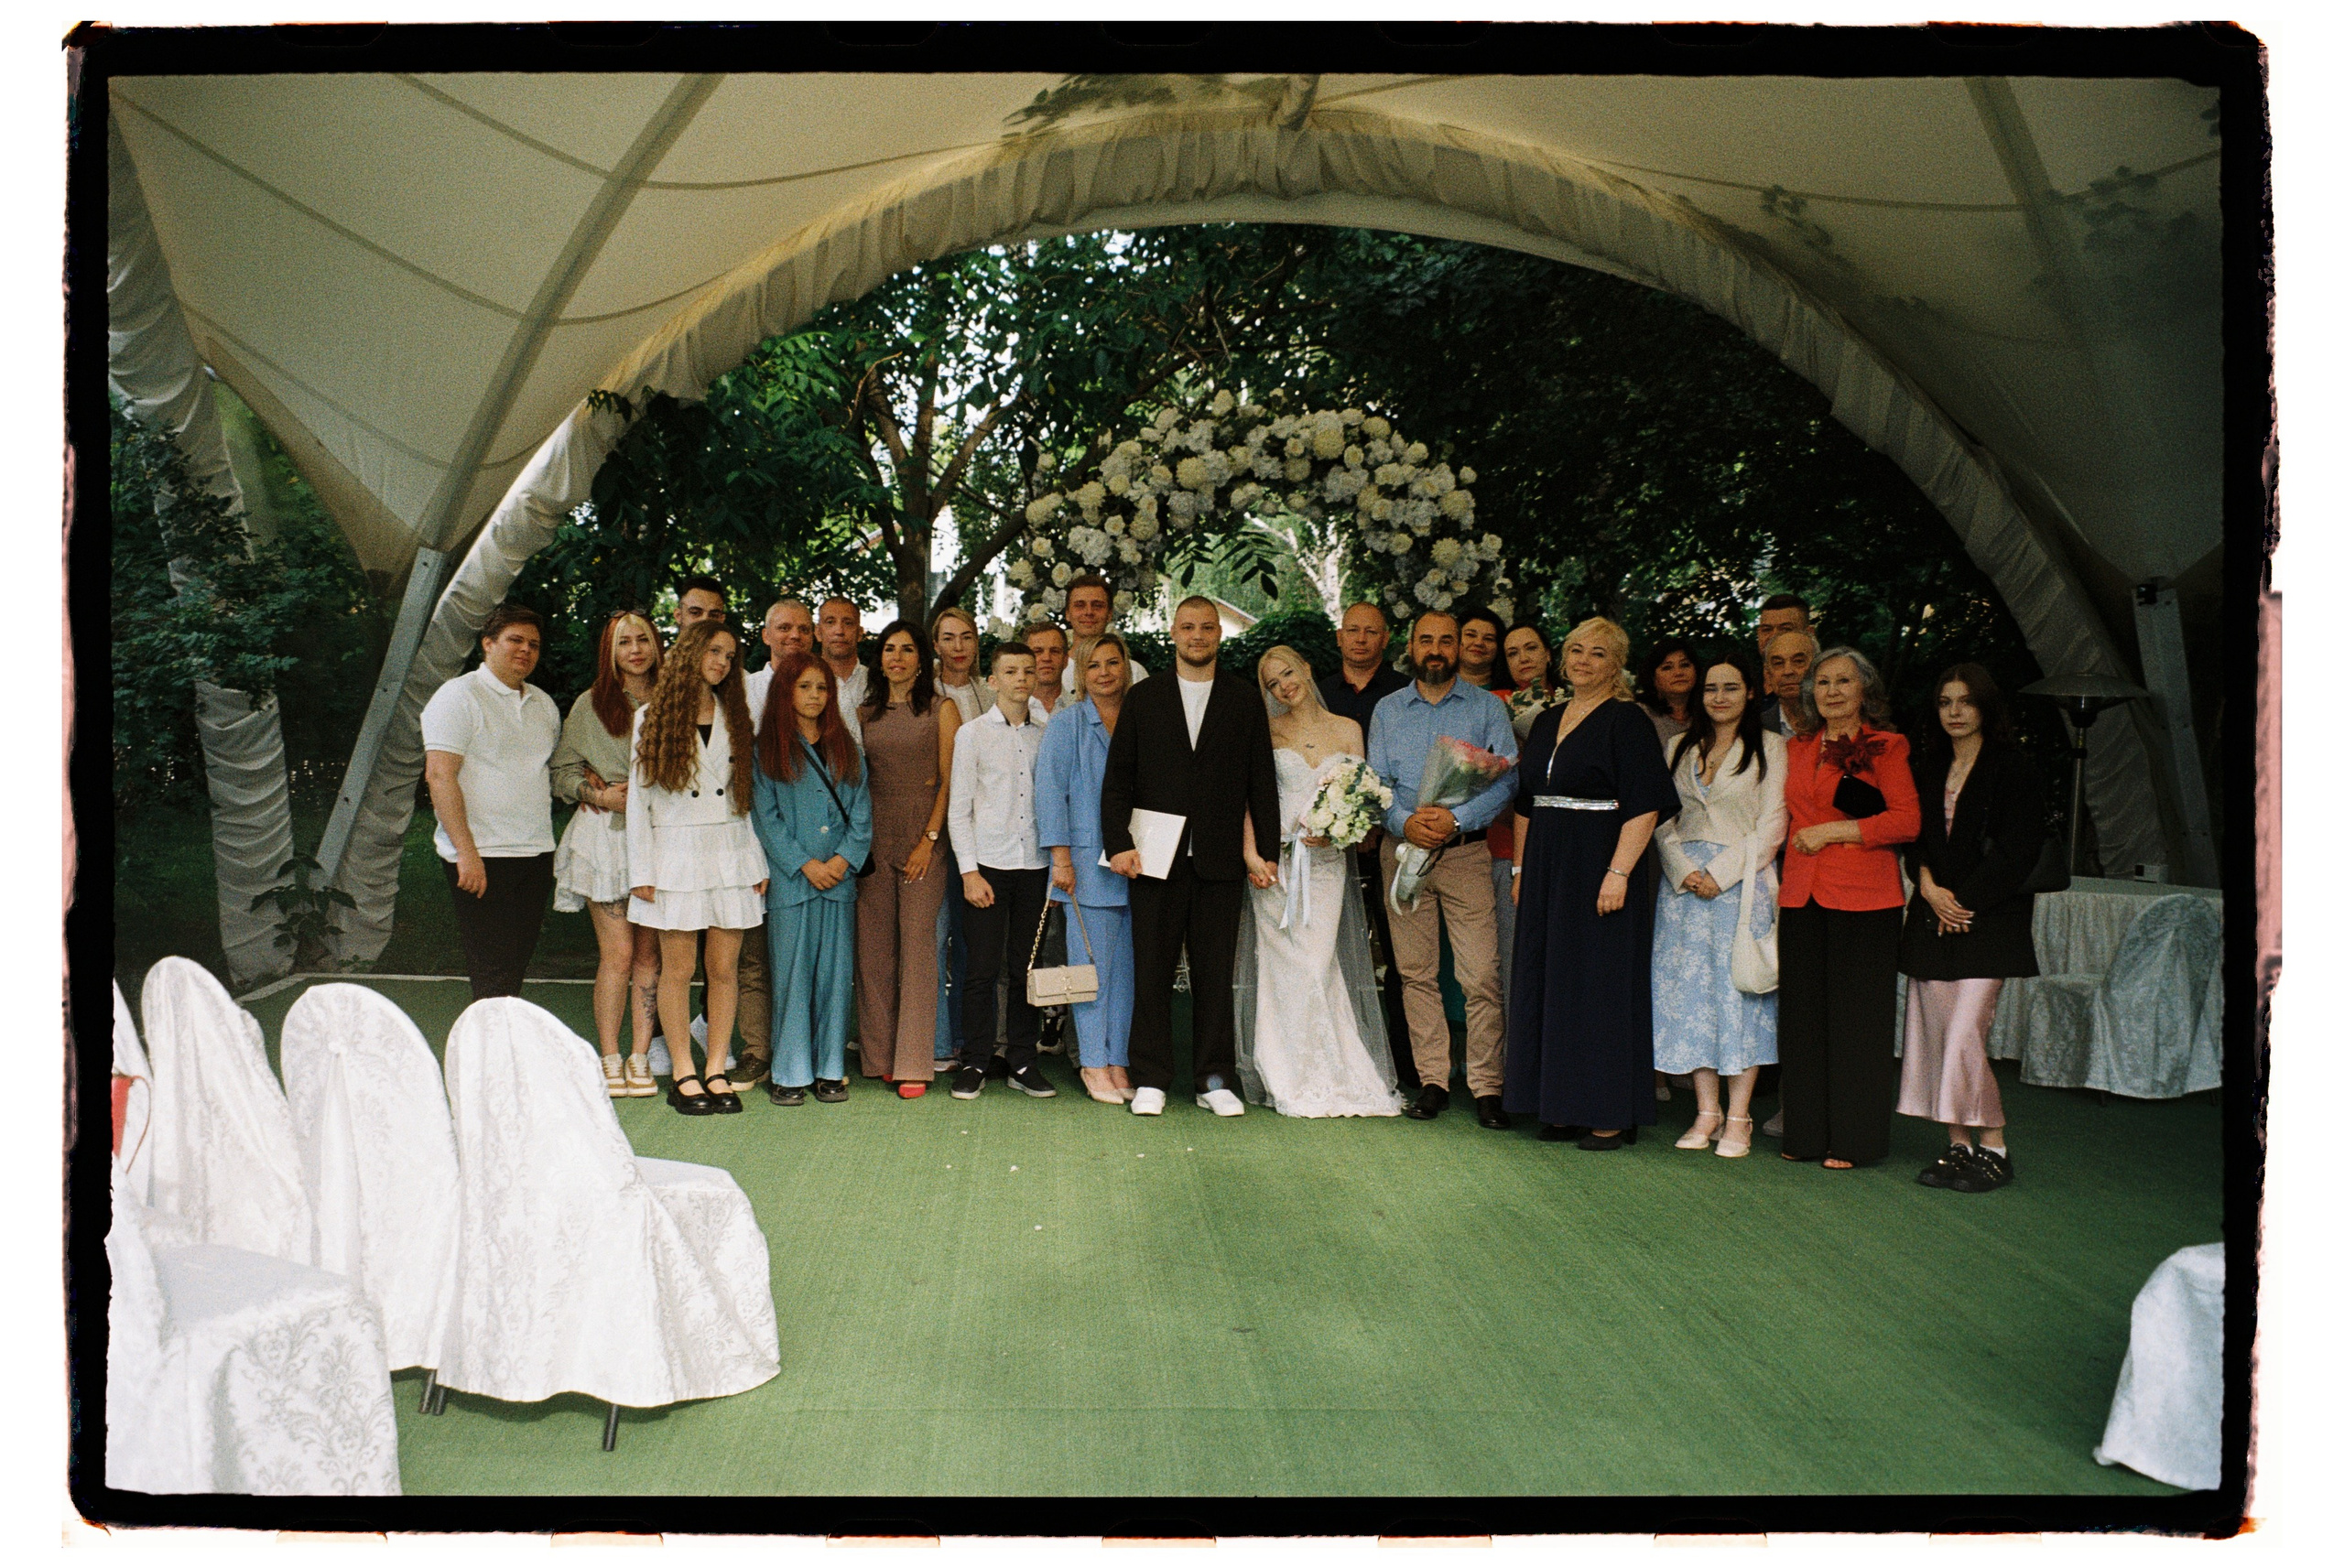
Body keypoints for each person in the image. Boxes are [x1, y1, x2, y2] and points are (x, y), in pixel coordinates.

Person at [1100, 596, 1281, 1118]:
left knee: (1213, 973)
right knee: (1151, 971)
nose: (1197, 635)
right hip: (1155, 861)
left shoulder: (1244, 700)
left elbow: (1260, 783)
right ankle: (1151, 1077)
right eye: (1188, 627)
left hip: (1221, 863)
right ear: (1173, 633)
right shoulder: (1144, 697)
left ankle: (1213, 1079)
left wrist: (1264, 852)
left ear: (1219, 635)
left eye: (1207, 627)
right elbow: (1119, 781)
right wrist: (1119, 844)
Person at [1504, 618, 1679, 1149]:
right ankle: (1556, 1106)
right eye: (1575, 650)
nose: (1583, 660)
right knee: (1547, 978)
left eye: (1597, 653)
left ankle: (1607, 1112)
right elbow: (1527, 803)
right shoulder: (1546, 719)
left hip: (1600, 864)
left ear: (1616, 664)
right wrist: (1519, 869)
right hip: (1545, 867)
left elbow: (1645, 805)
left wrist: (1619, 873)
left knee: (1598, 985)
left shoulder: (1628, 721)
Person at [1235, 647, 1406, 1118]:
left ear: (1307, 668)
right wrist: (1252, 854)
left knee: (1317, 964)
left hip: (1327, 866)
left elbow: (1365, 800)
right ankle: (1285, 1072)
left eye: (1288, 673)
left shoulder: (1348, 729)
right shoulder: (1266, 732)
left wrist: (1338, 832)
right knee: (1280, 968)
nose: (1283, 685)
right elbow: (1249, 798)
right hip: (1276, 866)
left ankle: (1335, 1070)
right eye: (1272, 683)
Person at [1367, 610, 1519, 1130]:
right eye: (1426, 639)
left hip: (1466, 854)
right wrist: (1406, 823)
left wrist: (1457, 819)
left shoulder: (1485, 709)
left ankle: (1487, 1086)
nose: (1436, 648)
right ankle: (1433, 1080)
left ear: (1459, 648)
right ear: (1410, 647)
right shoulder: (1388, 710)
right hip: (1404, 853)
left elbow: (1506, 782)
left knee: (1481, 975)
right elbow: (1376, 781)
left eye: (1446, 641)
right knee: (1415, 974)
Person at [1897, 664, 2045, 1194]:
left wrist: (1961, 902)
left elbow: (2018, 850)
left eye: (1965, 702)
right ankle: (1958, 1145)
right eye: (1944, 702)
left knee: (1964, 1037)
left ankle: (1996, 1149)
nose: (1955, 712)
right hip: (1933, 916)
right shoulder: (1927, 765)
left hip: (1988, 920)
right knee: (1937, 1037)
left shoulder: (2013, 767)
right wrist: (1929, 888)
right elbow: (1912, 835)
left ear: (1985, 707)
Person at [1776, 646, 1922, 1169]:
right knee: (1803, 1020)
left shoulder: (1887, 746)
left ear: (1865, 689)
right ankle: (1807, 1135)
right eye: (1822, 682)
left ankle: (1856, 1142)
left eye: (1843, 681)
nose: (1832, 691)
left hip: (1865, 899)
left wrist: (1834, 832)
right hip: (1800, 895)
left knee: (1858, 1024)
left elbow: (1906, 821)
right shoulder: (1797, 748)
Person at [625, 621, 769, 1117]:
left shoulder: (737, 716)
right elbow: (638, 804)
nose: (722, 662)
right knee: (679, 969)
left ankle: (715, 1068)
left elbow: (744, 800)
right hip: (676, 857)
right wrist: (641, 870)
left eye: (730, 655)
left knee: (724, 969)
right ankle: (683, 1071)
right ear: (690, 652)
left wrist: (754, 859)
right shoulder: (651, 717)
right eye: (714, 651)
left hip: (730, 852)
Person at [1650, 653, 1787, 1158]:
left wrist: (1722, 874)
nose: (1719, 697)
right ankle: (1706, 1112)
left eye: (1731, 687)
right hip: (1683, 888)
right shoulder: (1676, 746)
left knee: (1739, 997)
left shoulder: (1772, 748)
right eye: (1711, 688)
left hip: (1741, 886)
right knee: (1690, 1000)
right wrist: (1683, 869)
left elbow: (1773, 825)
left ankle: (1739, 1117)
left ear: (1751, 692)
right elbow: (1661, 816)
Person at [420, 603, 562, 1000]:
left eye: (533, 644)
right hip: (481, 855)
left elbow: (544, 770)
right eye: (514, 640)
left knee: (514, 967)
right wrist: (466, 852)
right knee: (492, 971)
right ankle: (484, 1059)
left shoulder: (544, 705)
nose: (525, 650)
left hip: (534, 852)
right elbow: (439, 775)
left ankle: (503, 1051)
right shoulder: (457, 696)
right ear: (487, 644)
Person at [549, 610, 664, 1097]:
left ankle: (641, 1055)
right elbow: (562, 773)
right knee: (616, 954)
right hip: (608, 839)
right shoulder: (590, 704)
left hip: (663, 839)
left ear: (657, 644)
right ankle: (609, 1056)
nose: (635, 649)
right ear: (610, 652)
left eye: (643, 639)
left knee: (649, 954)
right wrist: (599, 795)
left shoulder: (677, 697)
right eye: (624, 642)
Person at [750, 651, 871, 1108]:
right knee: (792, 975)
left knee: (835, 978)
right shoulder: (767, 750)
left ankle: (830, 1068)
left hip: (839, 882)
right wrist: (805, 864)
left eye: (822, 688)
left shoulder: (848, 748)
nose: (815, 696)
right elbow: (767, 817)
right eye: (804, 687)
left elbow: (861, 813)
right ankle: (789, 1069)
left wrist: (842, 862)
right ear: (785, 692)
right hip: (794, 882)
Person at [947, 642, 1058, 1101]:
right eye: (1010, 671)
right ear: (992, 680)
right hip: (988, 867)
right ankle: (974, 1059)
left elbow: (1054, 799)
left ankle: (1022, 1058)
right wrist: (969, 873)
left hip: (1035, 866)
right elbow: (959, 810)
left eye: (1028, 671)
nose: (1021, 679)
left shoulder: (1048, 732)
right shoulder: (971, 734)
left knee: (1024, 968)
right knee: (981, 969)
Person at [855, 619, 960, 1098]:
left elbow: (948, 780)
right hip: (874, 840)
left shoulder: (943, 709)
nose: (897, 658)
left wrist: (929, 839)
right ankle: (878, 1056)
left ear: (923, 660)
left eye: (908, 650)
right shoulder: (863, 713)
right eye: (889, 649)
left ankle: (915, 1061)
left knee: (919, 947)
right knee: (874, 950)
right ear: (880, 659)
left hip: (924, 841)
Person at [1036, 632, 1140, 1104]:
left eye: (1112, 663)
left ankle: (1117, 1061)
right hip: (1084, 867)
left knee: (1126, 975)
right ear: (1081, 675)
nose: (1103, 672)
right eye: (1093, 665)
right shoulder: (1067, 724)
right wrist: (1060, 858)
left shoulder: (1141, 722)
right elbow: (1049, 794)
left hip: (1138, 865)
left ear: (1126, 668)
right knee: (1091, 972)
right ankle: (1093, 1064)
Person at [1318, 600, 1415, 1087]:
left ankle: (1402, 1059)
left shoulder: (1404, 692)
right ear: (1339, 637)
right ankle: (1331, 1047)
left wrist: (1373, 824)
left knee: (1399, 954)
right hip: (1321, 847)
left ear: (1386, 639)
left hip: (1391, 841)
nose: (1360, 639)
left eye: (1370, 632)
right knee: (1325, 950)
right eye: (1352, 630)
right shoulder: (1316, 692)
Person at [732, 596, 815, 1087]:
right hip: (751, 840)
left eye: (803, 629)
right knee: (754, 956)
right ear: (765, 635)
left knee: (806, 954)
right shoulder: (743, 690)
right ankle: (758, 1050)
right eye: (784, 628)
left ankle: (805, 1050)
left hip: (811, 848)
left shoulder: (825, 690)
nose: (794, 637)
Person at [929, 604, 992, 1076]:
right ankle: (936, 1041)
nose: (958, 647)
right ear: (936, 646)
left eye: (966, 637)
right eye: (948, 638)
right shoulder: (926, 695)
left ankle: (973, 1040)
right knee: (936, 938)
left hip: (980, 835)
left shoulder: (989, 693)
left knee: (973, 945)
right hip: (934, 835)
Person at [1060, 574, 1149, 692]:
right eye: (1080, 606)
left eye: (1097, 606)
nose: (1089, 612)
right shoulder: (1056, 671)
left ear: (1109, 614)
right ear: (1067, 613)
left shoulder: (1134, 671)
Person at [817, 597, 870, 743]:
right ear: (818, 632)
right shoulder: (803, 684)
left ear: (859, 633)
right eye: (830, 622)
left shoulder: (877, 682)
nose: (839, 631)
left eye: (848, 623)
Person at [1497, 622, 1559, 740]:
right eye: (1513, 653)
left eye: (1531, 648)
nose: (1524, 659)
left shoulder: (1572, 699)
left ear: (1548, 654)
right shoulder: (1495, 702)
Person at [1759, 628, 1818, 740]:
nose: (1788, 671)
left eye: (1798, 661)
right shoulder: (1756, 728)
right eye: (1778, 663)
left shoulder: (1838, 719)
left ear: (1818, 667)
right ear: (1767, 674)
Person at [1638, 637, 1699, 741]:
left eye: (1685, 665)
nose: (1678, 673)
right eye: (1667, 667)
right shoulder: (1639, 715)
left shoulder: (1708, 713)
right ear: (1653, 677)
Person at [1456, 606, 1506, 692]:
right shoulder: (1435, 687)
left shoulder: (1512, 695)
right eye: (1470, 635)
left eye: (1488, 639)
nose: (1479, 643)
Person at [1026, 622, 1069, 718]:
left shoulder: (1082, 708)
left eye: (1055, 651)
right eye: (1038, 651)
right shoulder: (1008, 710)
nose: (1047, 658)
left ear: (1065, 660)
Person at [1753, 591, 1813, 657]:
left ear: (1810, 634)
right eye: (1767, 630)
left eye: (1785, 629)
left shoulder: (1825, 666)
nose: (1774, 636)